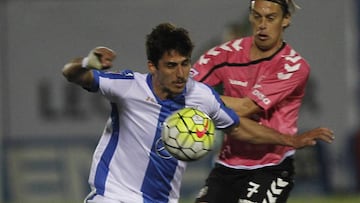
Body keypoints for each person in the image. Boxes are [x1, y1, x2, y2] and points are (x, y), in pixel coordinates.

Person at [62, 23, 333, 203]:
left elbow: (237, 127)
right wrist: (88, 62)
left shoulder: (200, 96)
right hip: (113, 196)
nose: (180, 74)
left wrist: (290, 140)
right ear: (152, 66)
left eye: (184, 64)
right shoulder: (128, 87)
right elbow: (72, 74)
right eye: (170, 66)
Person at [191, 0, 324, 202]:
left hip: (271, 167)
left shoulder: (293, 66)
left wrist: (200, 98)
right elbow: (184, 89)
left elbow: (246, 107)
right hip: (228, 165)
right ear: (250, 17)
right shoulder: (225, 54)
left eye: (271, 18)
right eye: (257, 16)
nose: (262, 24)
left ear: (286, 20)